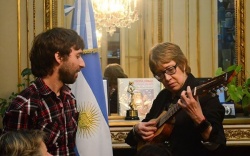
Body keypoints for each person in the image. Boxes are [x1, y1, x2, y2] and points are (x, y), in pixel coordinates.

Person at [125, 42, 226, 156]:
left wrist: (199, 119)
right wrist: (137, 130)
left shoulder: (206, 97)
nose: (167, 78)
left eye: (170, 69)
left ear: (183, 64)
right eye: (160, 74)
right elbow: (131, 139)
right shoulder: (162, 97)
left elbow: (218, 146)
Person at [2, 27, 85, 155]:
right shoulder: (25, 106)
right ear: (59, 57)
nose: (82, 63)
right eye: (78, 56)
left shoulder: (69, 98)